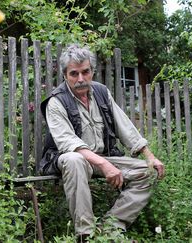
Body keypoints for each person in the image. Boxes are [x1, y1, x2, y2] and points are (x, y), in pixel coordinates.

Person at [39, 44, 165, 239]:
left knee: (147, 173)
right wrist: (105, 164)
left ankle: (110, 228)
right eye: (74, 74)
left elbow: (125, 127)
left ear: (92, 71)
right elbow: (69, 144)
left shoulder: (101, 92)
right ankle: (85, 234)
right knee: (74, 160)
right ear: (65, 75)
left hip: (102, 158)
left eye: (85, 72)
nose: (80, 79)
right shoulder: (56, 102)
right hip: (69, 160)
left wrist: (150, 156)